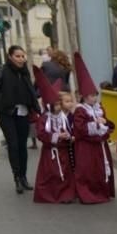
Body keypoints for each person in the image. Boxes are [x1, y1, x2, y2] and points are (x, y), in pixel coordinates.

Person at [0, 45, 41, 195]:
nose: (21, 59)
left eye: (22, 56)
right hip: (6, 112)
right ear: (10, 57)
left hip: (23, 111)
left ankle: (23, 176)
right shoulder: (2, 70)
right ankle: (16, 177)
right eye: (17, 56)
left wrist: (38, 109)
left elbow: (30, 91)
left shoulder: (24, 72)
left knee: (23, 146)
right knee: (14, 145)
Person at [71, 52, 114, 203]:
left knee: (101, 168)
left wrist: (107, 125)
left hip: (99, 144)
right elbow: (80, 128)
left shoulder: (99, 107)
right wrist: (96, 123)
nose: (94, 98)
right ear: (83, 96)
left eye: (95, 95)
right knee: (87, 170)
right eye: (90, 96)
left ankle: (103, 191)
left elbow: (105, 121)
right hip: (86, 146)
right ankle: (88, 194)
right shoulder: (80, 110)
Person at [31, 67, 75, 204]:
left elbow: (68, 129)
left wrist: (67, 136)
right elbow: (41, 134)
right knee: (51, 173)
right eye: (55, 105)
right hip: (50, 151)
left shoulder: (62, 116)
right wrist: (56, 136)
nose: (58, 107)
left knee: (65, 173)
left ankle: (65, 195)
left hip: (63, 151)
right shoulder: (44, 118)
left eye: (58, 104)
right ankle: (49, 194)